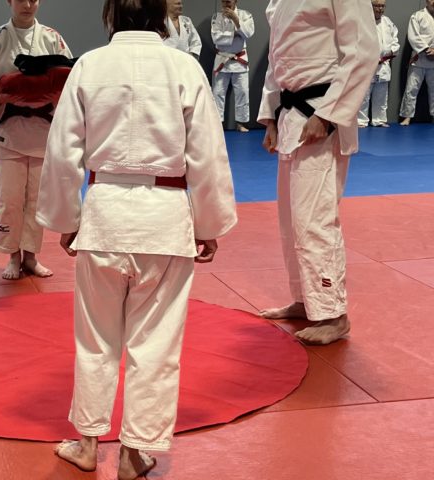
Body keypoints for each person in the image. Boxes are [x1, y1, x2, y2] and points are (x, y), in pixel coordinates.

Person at [36, 0, 237, 478]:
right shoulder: (183, 67)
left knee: (96, 339)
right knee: (156, 344)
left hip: (105, 214)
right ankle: (133, 453)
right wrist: (208, 224)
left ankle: (87, 444)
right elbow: (207, 153)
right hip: (164, 220)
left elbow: (63, 151)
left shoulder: (90, 66)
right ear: (162, 16)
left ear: (111, 16)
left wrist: (67, 218)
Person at [258, 0, 378, 345]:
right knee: (291, 222)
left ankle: (333, 314)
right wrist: (271, 116)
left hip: (320, 115)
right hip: (292, 115)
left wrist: (326, 114)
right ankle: (306, 299)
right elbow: (278, 59)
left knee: (315, 219)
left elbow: (364, 50)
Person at [0, 0, 72, 280]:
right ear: (9, 1)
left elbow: (70, 80)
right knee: (10, 199)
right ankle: (12, 256)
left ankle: (30, 256)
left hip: (41, 132)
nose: (28, 5)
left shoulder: (53, 38)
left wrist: (48, 95)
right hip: (8, 131)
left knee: (36, 199)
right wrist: (3, 97)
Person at [211, 0, 255, 132]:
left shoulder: (246, 15)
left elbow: (248, 33)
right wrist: (235, 34)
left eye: (229, 1)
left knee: (242, 92)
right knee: (218, 92)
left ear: (235, 1)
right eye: (224, 1)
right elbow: (216, 38)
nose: (226, 4)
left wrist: (236, 19)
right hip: (222, 59)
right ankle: (218, 123)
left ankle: (241, 123)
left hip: (239, 60)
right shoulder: (216, 17)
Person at [358, 0, 399, 128]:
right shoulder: (362, 21)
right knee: (363, 95)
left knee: (381, 95)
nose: (380, 9)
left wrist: (390, 53)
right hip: (367, 64)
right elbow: (357, 42)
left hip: (384, 64)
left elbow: (395, 41)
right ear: (371, 6)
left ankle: (379, 119)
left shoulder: (388, 22)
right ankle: (361, 121)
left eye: (382, 6)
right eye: (377, 6)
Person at [399, 0, 434, 126]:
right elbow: (413, 36)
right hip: (419, 59)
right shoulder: (417, 16)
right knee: (411, 89)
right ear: (426, 1)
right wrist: (427, 50)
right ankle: (407, 117)